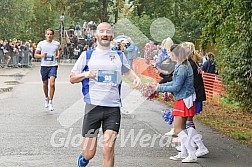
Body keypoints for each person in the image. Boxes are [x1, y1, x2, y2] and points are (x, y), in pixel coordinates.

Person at [70, 22, 142, 167]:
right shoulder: (87, 55)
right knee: (89, 153)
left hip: (113, 108)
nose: (105, 34)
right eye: (101, 31)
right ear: (96, 35)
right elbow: (72, 78)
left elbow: (127, 71)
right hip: (93, 107)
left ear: (112, 36)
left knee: (108, 148)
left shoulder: (119, 56)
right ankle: (83, 159)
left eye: (108, 31)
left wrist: (136, 78)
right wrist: (86, 74)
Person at [155, 44, 207, 163]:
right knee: (183, 127)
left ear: (174, 54)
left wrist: (158, 88)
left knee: (178, 128)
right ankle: (184, 152)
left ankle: (191, 153)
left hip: (184, 99)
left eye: (170, 53)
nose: (169, 55)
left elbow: (176, 86)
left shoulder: (183, 67)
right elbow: (175, 82)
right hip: (185, 98)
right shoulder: (183, 64)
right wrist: (160, 86)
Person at [34, 28, 62, 111]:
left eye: (51, 34)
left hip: (53, 65)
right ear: (45, 35)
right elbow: (35, 55)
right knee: (45, 84)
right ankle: (46, 98)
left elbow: (60, 49)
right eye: (48, 34)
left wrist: (58, 55)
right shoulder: (41, 44)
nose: (49, 36)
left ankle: (50, 102)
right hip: (44, 66)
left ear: (53, 35)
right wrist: (42, 55)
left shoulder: (56, 44)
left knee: (52, 84)